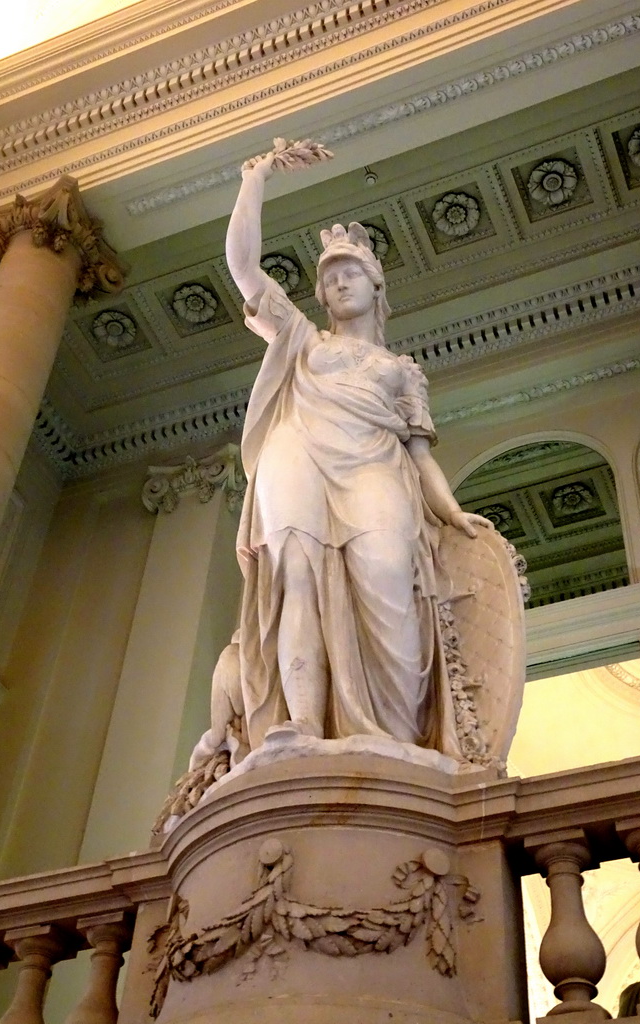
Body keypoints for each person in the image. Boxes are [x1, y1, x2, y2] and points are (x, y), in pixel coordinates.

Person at [223, 146, 491, 760]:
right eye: (328, 277)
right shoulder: (301, 338)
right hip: (299, 453)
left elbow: (420, 455)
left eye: (350, 273)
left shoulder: (402, 372)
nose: (338, 282)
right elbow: (242, 267)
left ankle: (394, 743)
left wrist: (450, 513)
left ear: (377, 284)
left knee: (389, 577)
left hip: (375, 468)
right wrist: (254, 179)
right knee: (295, 574)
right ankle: (302, 725)